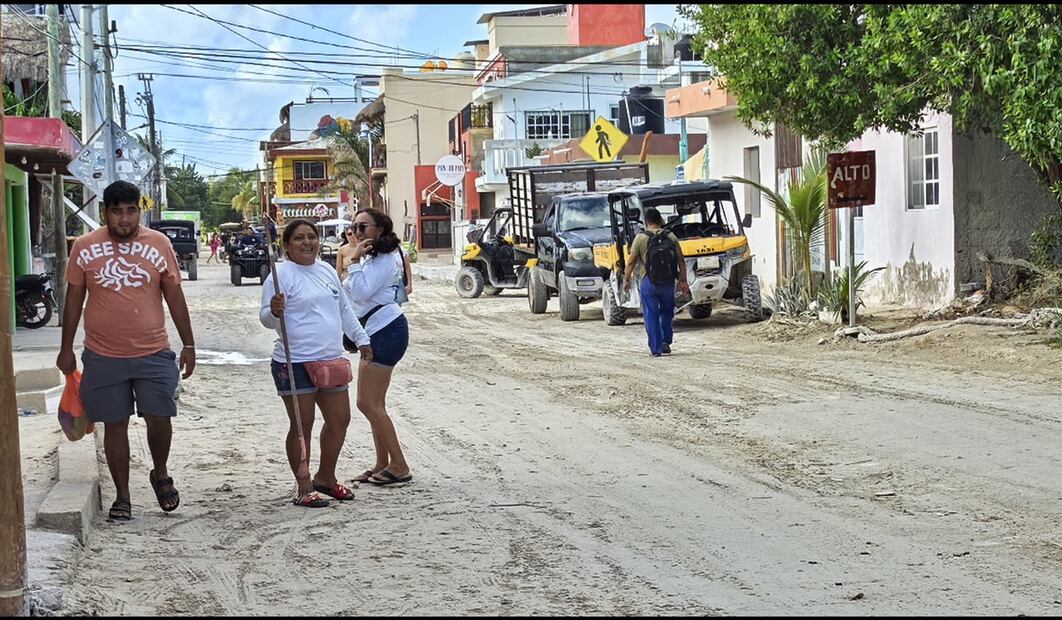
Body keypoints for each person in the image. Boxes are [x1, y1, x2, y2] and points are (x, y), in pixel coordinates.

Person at [56, 180, 196, 521]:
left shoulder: (159, 244)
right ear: (105, 212)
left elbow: (174, 296)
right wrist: (66, 348)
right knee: (114, 424)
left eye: (131, 211)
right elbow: (74, 299)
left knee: (160, 417)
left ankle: (160, 473)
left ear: (139, 210)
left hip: (154, 351)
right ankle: (122, 497)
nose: (124, 219)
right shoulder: (85, 247)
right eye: (117, 211)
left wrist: (188, 343)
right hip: (103, 355)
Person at [261, 218, 374, 507]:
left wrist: (361, 339)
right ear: (286, 245)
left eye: (311, 236)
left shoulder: (325, 270)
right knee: (302, 425)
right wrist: (274, 310)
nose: (308, 242)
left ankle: (326, 477)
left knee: (340, 421)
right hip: (293, 361)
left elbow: (343, 309)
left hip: (330, 358)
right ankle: (303, 485)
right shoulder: (279, 275)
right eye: (299, 238)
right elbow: (266, 319)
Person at [342, 208, 412, 486]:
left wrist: (354, 259)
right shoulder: (374, 258)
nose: (356, 232)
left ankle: (399, 464)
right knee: (376, 404)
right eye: (354, 227)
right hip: (376, 330)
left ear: (380, 229)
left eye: (363, 227)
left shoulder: (382, 259)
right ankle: (382, 462)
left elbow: (360, 292)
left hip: (385, 331)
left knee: (366, 403)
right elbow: (349, 291)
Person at [623, 207, 689, 357]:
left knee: (651, 314)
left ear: (646, 222)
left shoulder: (640, 238)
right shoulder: (671, 236)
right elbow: (681, 260)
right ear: (660, 221)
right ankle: (666, 340)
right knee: (667, 311)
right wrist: (683, 280)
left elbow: (631, 261)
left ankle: (656, 348)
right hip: (668, 281)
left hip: (648, 281)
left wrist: (626, 279)